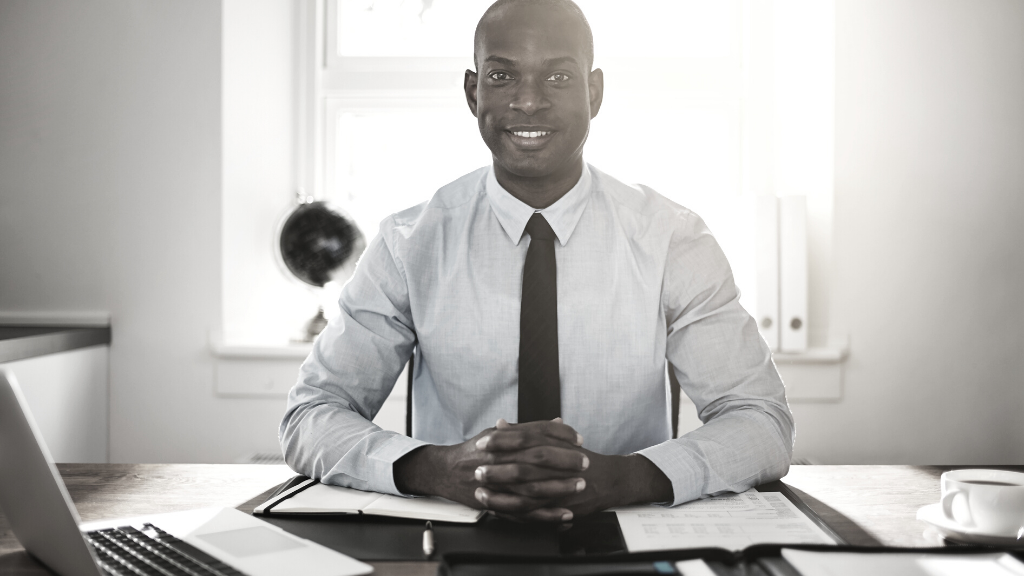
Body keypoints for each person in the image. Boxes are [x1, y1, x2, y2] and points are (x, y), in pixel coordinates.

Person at [280, 0, 794, 523]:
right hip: (452, 535)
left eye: (558, 76)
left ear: (593, 93)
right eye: (502, 76)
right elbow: (311, 416)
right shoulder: (408, 243)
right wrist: (437, 468)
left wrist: (626, 477)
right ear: (472, 91)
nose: (528, 101)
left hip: (626, 528)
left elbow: (761, 421)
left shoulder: (672, 239)